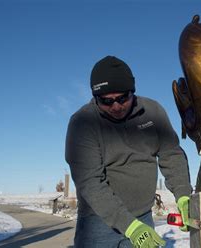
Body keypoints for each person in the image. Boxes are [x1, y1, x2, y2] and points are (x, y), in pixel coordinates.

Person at [65, 56, 192, 248]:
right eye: (106, 101)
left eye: (122, 98)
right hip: (97, 225)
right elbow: (90, 182)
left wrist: (183, 195)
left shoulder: (152, 112)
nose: (116, 106)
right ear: (95, 97)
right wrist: (130, 227)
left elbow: (171, 154)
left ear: (132, 91)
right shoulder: (83, 123)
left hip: (143, 216)